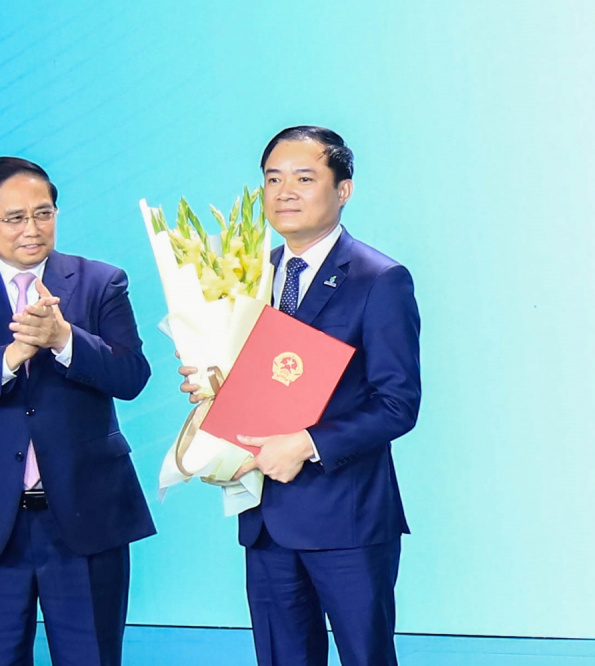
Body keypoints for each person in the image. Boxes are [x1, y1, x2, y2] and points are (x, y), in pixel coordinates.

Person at [179, 126, 421, 666]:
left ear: (343, 190)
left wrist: (308, 443)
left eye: (304, 178)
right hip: (264, 519)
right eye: (273, 179)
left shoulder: (379, 279)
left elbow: (397, 404)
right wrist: (212, 388)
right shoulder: (246, 278)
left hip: (347, 520)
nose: (284, 192)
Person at [0, 156, 156, 666]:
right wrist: (9, 358)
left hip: (85, 514)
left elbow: (131, 375)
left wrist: (65, 340)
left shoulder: (101, 282)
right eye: (15, 217)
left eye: (43, 214)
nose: (32, 229)